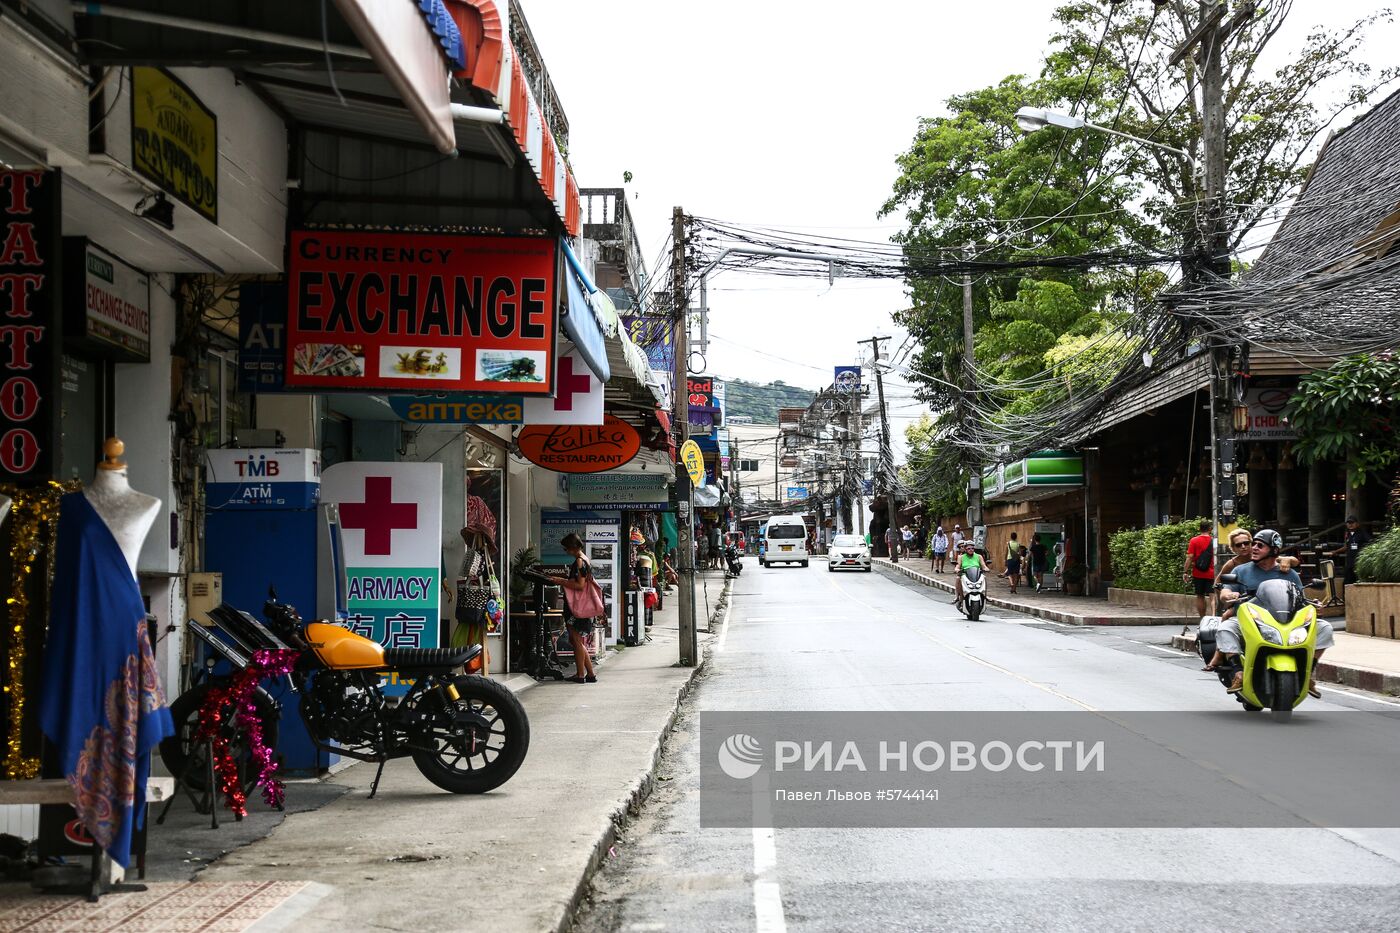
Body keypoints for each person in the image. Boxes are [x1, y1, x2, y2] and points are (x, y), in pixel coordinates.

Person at [1206, 529, 1332, 698]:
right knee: (1226, 628)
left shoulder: (1289, 573)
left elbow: (1301, 599)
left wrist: (1314, 606)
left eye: (1260, 545)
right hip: (1249, 620)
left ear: (1273, 550)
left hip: (1284, 622)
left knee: (1325, 628)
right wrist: (1228, 595)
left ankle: (1309, 673)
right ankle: (1238, 672)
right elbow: (1225, 590)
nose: (1253, 548)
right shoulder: (1240, 570)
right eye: (1254, 544)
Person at [557, 533, 599, 683]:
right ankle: (590, 674)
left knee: (576, 640)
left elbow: (580, 585)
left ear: (573, 547)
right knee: (577, 641)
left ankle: (580, 674)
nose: (566, 552)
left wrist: (561, 581)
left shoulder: (579, 562)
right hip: (582, 607)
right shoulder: (585, 559)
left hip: (577, 607)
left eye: (566, 549)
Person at [1213, 528, 1255, 613]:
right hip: (1240, 604)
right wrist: (1228, 595)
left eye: (1246, 543)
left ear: (1251, 543)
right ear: (1233, 548)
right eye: (1238, 545)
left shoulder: (1261, 557)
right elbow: (1217, 584)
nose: (1243, 547)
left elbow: (1276, 559)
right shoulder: (1231, 564)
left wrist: (1285, 560)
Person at [1182, 519, 1216, 617]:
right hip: (1212, 573)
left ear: (1199, 529)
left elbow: (1190, 557)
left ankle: (1202, 619)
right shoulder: (1214, 541)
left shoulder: (1194, 540)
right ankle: (1214, 618)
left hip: (1198, 573)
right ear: (1210, 529)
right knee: (1213, 596)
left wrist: (1185, 571)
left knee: (1200, 596)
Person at [1331, 516, 1372, 584]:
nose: (1350, 524)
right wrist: (1335, 551)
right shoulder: (1348, 534)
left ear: (1357, 524)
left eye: (1352, 522)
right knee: (1347, 581)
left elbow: (1371, 542)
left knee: (1358, 580)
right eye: (1349, 523)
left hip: (1359, 561)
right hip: (1350, 562)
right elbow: (1346, 546)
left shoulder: (1362, 533)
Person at [954, 540, 991, 611]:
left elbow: (983, 566)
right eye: (968, 548)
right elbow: (958, 566)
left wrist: (986, 569)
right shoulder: (961, 557)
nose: (971, 550)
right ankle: (959, 598)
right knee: (958, 578)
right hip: (965, 575)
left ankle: (985, 595)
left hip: (976, 575)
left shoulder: (979, 556)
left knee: (984, 577)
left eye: (972, 548)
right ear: (965, 549)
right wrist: (957, 569)